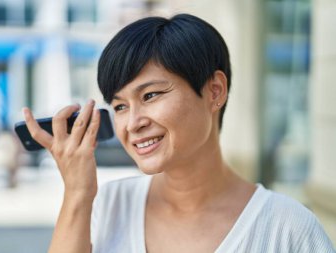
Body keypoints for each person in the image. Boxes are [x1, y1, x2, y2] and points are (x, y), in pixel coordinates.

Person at [23, 14, 335, 253]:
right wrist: (77, 194)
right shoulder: (105, 208)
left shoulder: (289, 229)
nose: (133, 123)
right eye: (119, 107)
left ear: (215, 91)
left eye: (150, 96)